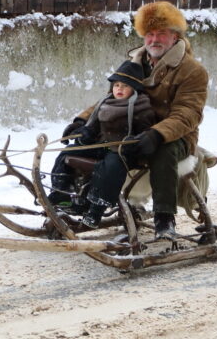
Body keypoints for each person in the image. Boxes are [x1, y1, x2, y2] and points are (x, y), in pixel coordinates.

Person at [62, 1, 208, 237]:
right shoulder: (136, 63)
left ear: (175, 36)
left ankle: (164, 218)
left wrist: (157, 133)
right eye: (149, 34)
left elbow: (188, 113)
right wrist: (82, 121)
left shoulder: (192, 71)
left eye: (161, 33)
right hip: (130, 129)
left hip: (174, 135)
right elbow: (113, 98)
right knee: (87, 145)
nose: (154, 40)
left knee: (164, 150)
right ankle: (74, 201)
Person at [48, 60, 157, 228]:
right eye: (117, 85)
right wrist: (84, 132)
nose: (119, 89)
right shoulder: (105, 104)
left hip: (124, 152)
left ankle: (96, 209)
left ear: (134, 89)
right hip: (101, 146)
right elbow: (94, 125)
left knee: (110, 167)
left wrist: (136, 141)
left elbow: (146, 133)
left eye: (125, 86)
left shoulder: (141, 108)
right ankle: (61, 194)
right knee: (68, 153)